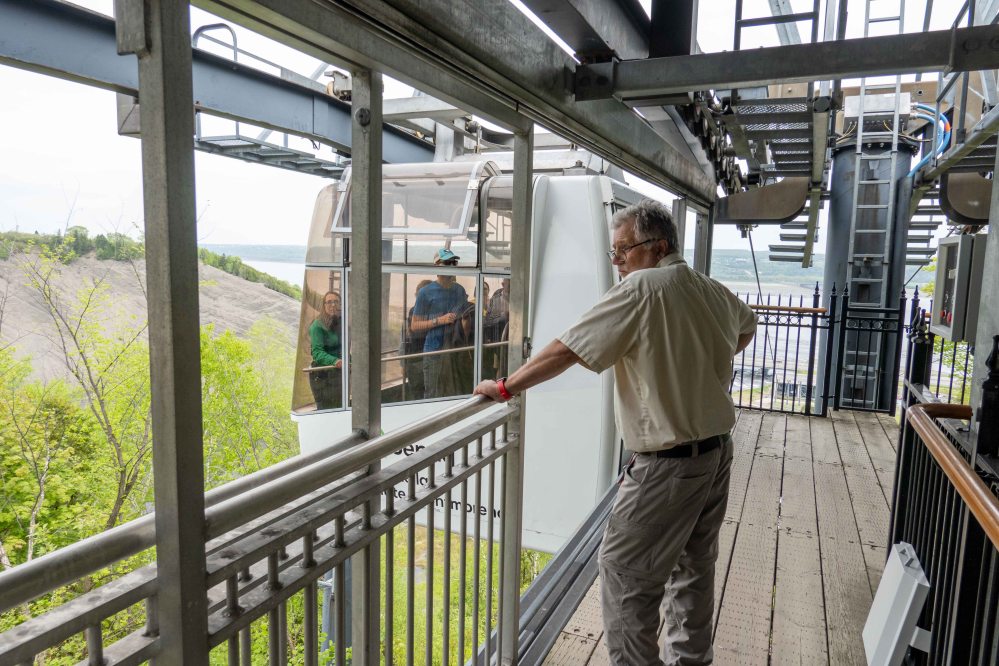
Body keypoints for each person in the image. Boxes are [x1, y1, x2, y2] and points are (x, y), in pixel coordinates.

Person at [474, 199, 756, 666]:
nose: (617, 261)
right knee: (694, 566)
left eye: (624, 249)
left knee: (624, 572)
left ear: (658, 247)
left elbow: (567, 349)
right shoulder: (707, 287)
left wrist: (506, 387)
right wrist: (701, 367)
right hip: (715, 453)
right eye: (614, 252)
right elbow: (747, 327)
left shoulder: (641, 289)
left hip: (667, 465)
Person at [410, 248, 469, 398]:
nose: (452, 266)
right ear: (436, 266)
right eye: (447, 262)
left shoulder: (460, 290)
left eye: (454, 262)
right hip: (434, 352)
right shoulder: (425, 292)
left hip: (455, 349)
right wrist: (440, 320)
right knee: (432, 394)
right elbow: (415, 325)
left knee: (455, 391)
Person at [308, 290, 343, 410]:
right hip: (322, 376)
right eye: (329, 302)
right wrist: (335, 361)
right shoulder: (317, 326)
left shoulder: (339, 323)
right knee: (327, 410)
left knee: (339, 408)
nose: (333, 305)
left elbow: (340, 349)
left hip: (337, 373)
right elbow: (317, 353)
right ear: (324, 305)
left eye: (336, 302)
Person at [403, 279, 433, 399]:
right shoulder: (417, 311)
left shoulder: (414, 310)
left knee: (418, 395)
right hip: (419, 359)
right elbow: (410, 336)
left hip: (416, 359)